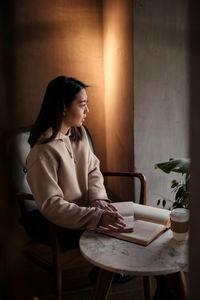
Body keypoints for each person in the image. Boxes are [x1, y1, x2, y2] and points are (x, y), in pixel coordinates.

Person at [22, 75, 132, 283]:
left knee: (142, 223)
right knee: (120, 230)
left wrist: (98, 200)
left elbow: (93, 170)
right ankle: (108, 273)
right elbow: (52, 205)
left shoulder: (78, 133)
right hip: (57, 219)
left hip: (87, 208)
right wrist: (97, 217)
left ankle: (160, 286)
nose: (87, 111)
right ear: (63, 107)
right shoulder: (42, 151)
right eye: (82, 104)